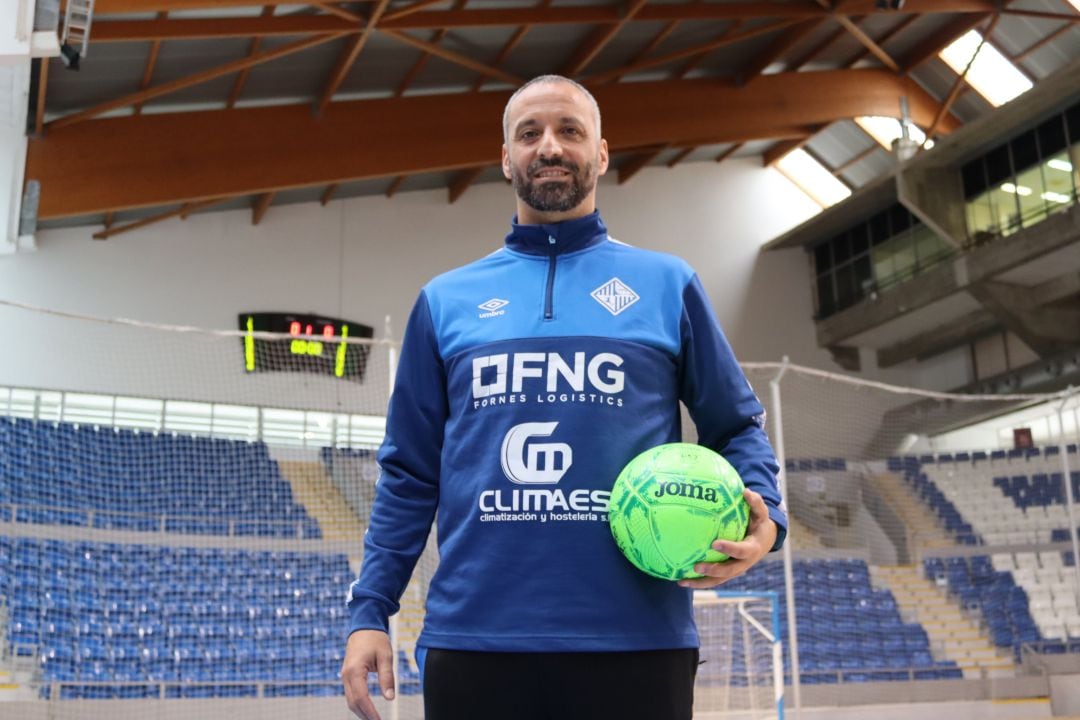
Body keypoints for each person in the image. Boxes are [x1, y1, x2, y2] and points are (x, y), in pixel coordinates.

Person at [341, 74, 786, 720]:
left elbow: (737, 425)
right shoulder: (445, 302)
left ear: (601, 154)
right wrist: (369, 611)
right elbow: (408, 473)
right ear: (505, 159)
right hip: (475, 644)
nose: (549, 147)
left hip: (637, 644)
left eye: (570, 131)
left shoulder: (667, 285)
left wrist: (763, 513)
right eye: (530, 134)